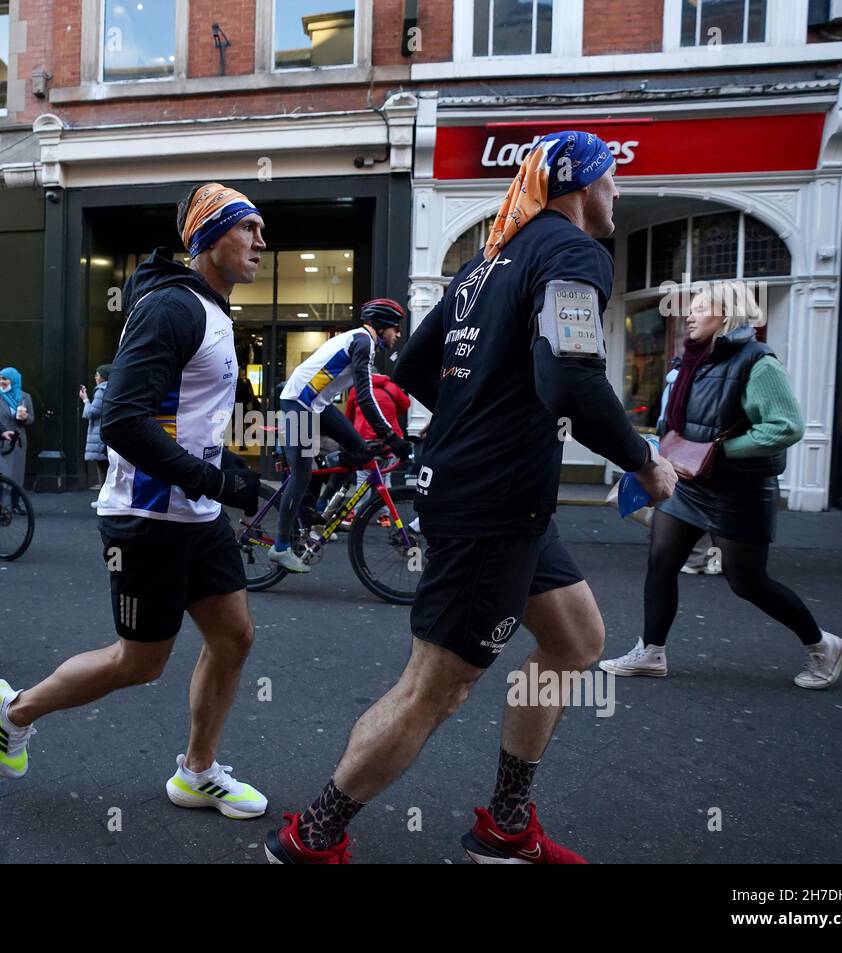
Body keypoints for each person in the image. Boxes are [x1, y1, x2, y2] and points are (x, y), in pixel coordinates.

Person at [265, 131, 677, 865]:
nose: (617, 194)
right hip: (491, 502)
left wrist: (487, 410)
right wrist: (645, 462)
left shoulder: (484, 265)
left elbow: (419, 365)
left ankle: (507, 825)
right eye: (612, 180)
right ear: (580, 184)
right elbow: (573, 376)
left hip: (506, 499)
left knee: (575, 638)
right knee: (435, 688)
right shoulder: (574, 252)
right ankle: (312, 837)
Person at [0, 182, 267, 820]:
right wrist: (222, 483)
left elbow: (190, 422)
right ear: (211, 235)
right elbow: (123, 423)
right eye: (248, 228)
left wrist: (237, 476)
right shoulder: (172, 308)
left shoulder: (214, 310)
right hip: (145, 517)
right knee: (140, 664)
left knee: (234, 636)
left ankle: (197, 772)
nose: (259, 242)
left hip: (198, 513)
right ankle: (14, 711)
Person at [600, 281, 842, 690]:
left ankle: (823, 645)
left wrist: (718, 452)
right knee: (662, 561)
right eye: (690, 308)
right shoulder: (688, 361)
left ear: (728, 315)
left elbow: (785, 427)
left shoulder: (759, 363)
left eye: (701, 308)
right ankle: (651, 651)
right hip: (691, 482)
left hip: (740, 489)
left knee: (747, 581)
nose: (689, 315)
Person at [271, 300, 414, 573]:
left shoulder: (362, 342)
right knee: (301, 474)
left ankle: (315, 511)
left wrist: (388, 438)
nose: (398, 335)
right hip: (296, 403)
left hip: (316, 405)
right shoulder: (363, 341)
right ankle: (280, 547)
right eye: (395, 329)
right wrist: (392, 437)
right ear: (382, 325)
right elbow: (365, 396)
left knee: (361, 451)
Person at [656, 360, 720, 575]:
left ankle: (695, 560)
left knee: (689, 504)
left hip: (681, 447)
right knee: (710, 507)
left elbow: (666, 417)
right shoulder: (697, 379)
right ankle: (713, 561)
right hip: (703, 450)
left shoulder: (679, 381)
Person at [0, 366, 33, 489]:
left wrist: (25, 417)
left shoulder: (25, 397)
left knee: (16, 476)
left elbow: (31, 419)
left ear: (14, 380)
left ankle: (15, 506)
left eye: (5, 379)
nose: (2, 382)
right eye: (1, 379)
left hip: (16, 443)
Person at [80, 364, 111, 489]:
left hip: (99, 434)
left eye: (97, 375)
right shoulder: (112, 389)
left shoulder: (101, 390)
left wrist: (85, 399)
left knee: (102, 468)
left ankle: (103, 499)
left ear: (103, 377)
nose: (95, 378)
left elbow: (91, 413)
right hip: (108, 433)